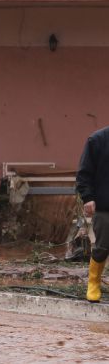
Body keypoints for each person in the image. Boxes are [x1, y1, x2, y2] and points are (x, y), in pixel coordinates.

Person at [76, 127, 109, 302]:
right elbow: (84, 172)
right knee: (102, 246)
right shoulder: (97, 140)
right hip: (105, 205)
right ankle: (94, 283)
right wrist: (88, 197)